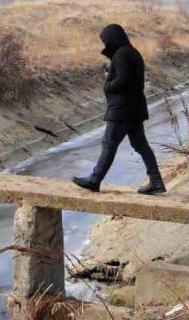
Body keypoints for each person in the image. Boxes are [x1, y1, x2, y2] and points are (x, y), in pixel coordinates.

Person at [71, 23, 167, 195]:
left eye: (106, 41)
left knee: (108, 144)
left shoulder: (122, 54)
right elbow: (130, 78)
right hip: (135, 107)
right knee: (140, 145)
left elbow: (122, 81)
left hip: (122, 109)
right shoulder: (132, 52)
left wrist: (108, 81)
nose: (105, 45)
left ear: (113, 38)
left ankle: (94, 180)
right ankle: (156, 181)